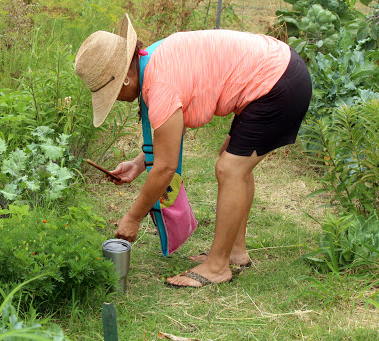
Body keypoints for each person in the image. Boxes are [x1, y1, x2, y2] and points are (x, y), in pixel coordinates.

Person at [74, 14, 312, 288]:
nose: (115, 99)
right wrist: (140, 164)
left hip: (277, 83)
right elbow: (171, 133)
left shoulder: (158, 83)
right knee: (234, 161)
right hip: (281, 68)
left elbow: (165, 167)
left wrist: (132, 218)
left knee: (230, 168)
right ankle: (234, 252)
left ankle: (217, 267)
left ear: (125, 79)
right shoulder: (151, 57)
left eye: (111, 92)